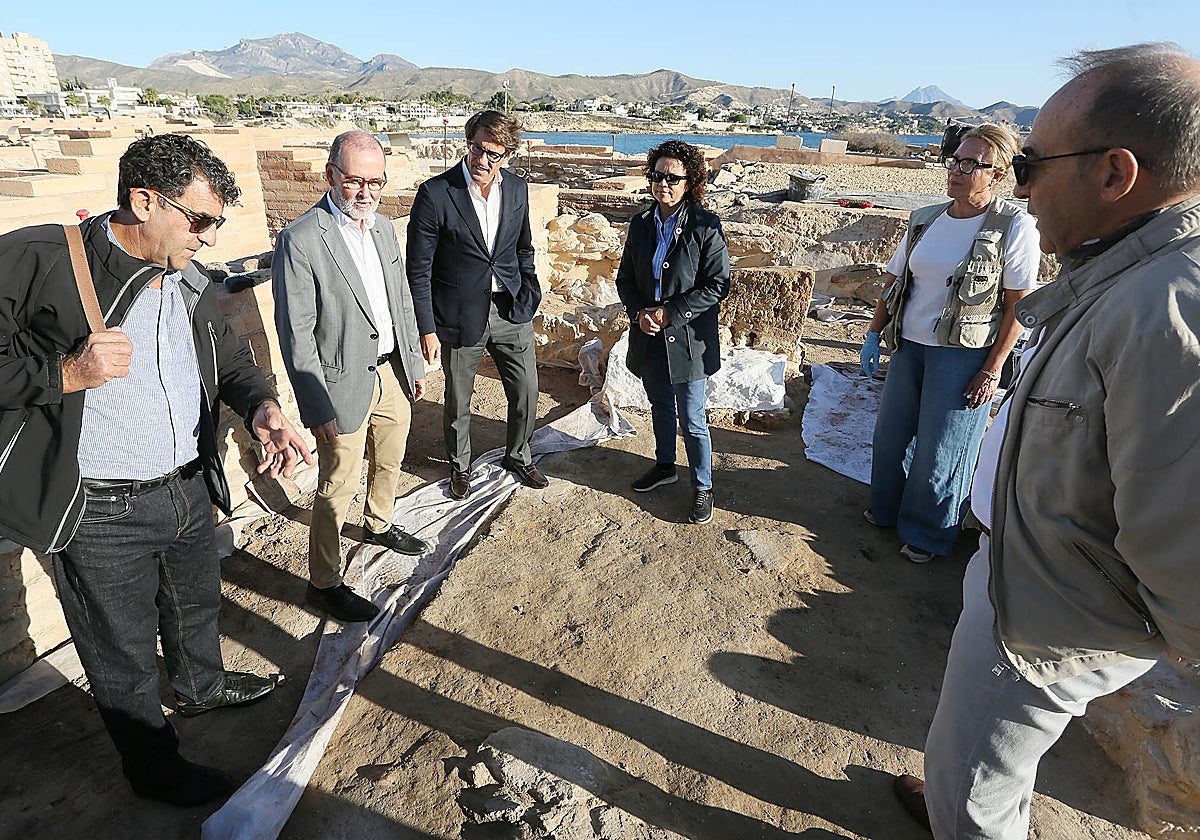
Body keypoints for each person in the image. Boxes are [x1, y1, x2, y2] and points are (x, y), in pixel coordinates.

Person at [891, 43, 1200, 839]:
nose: (1021, 187)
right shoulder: (1132, 277)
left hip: (1055, 619)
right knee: (981, 761)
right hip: (1034, 581)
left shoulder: (1170, 309)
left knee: (975, 791)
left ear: (1113, 173)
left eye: (1027, 165)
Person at [0, 134, 313, 806]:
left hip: (185, 487)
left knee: (196, 602)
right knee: (121, 653)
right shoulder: (43, 259)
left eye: (217, 223)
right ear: (144, 200)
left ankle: (200, 686)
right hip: (99, 510)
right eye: (198, 220)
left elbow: (229, 359)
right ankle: (153, 767)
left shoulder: (188, 275)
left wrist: (262, 408)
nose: (208, 236)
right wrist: (65, 374)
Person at [860, 123, 1039, 563]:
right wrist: (871, 333)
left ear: (998, 174)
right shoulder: (926, 218)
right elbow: (894, 279)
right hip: (909, 346)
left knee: (944, 449)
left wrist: (992, 367)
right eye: (955, 160)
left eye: (971, 164)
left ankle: (927, 534)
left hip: (964, 355)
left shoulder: (1014, 227)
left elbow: (1019, 305)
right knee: (891, 437)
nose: (956, 170)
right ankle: (887, 510)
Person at [273, 131, 428, 624]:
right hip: (341, 387)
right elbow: (295, 332)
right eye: (354, 181)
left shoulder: (381, 229)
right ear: (330, 175)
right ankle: (325, 581)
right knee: (337, 483)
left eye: (375, 182)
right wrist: (317, 407)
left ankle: (379, 524)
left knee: (391, 459)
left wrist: (413, 364)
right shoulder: (301, 239)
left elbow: (399, 300)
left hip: (391, 372)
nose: (365, 192)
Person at [406, 110, 547, 501]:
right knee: (459, 399)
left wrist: (529, 292)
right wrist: (426, 327)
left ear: (508, 155)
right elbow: (418, 269)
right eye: (477, 149)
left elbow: (523, 247)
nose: (483, 161)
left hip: (511, 309)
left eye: (494, 154)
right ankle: (459, 466)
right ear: (468, 143)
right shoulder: (436, 193)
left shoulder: (517, 189)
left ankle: (519, 455)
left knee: (526, 391)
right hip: (458, 315)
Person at [616, 140, 730, 525]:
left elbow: (717, 285)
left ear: (690, 181)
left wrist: (670, 313)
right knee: (660, 406)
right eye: (657, 175)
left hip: (686, 340)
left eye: (673, 177)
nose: (663, 183)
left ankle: (703, 486)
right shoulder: (640, 224)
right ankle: (665, 466)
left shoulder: (705, 226)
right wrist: (639, 314)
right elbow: (626, 279)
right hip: (648, 336)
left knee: (693, 417)